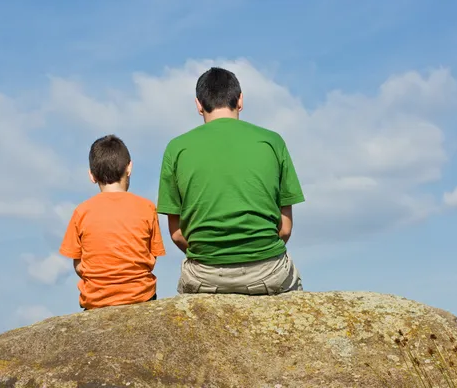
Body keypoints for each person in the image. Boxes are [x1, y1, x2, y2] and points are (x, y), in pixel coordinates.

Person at [157, 67, 305, 295]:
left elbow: (177, 233)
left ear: (198, 105)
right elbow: (285, 229)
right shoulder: (273, 142)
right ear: (240, 100)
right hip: (268, 271)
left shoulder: (176, 148)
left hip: (204, 275)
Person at [60, 135, 165, 310]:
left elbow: (78, 265)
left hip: (96, 300)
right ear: (129, 167)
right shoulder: (147, 207)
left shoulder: (81, 212)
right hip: (140, 296)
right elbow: (151, 257)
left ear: (92, 176)